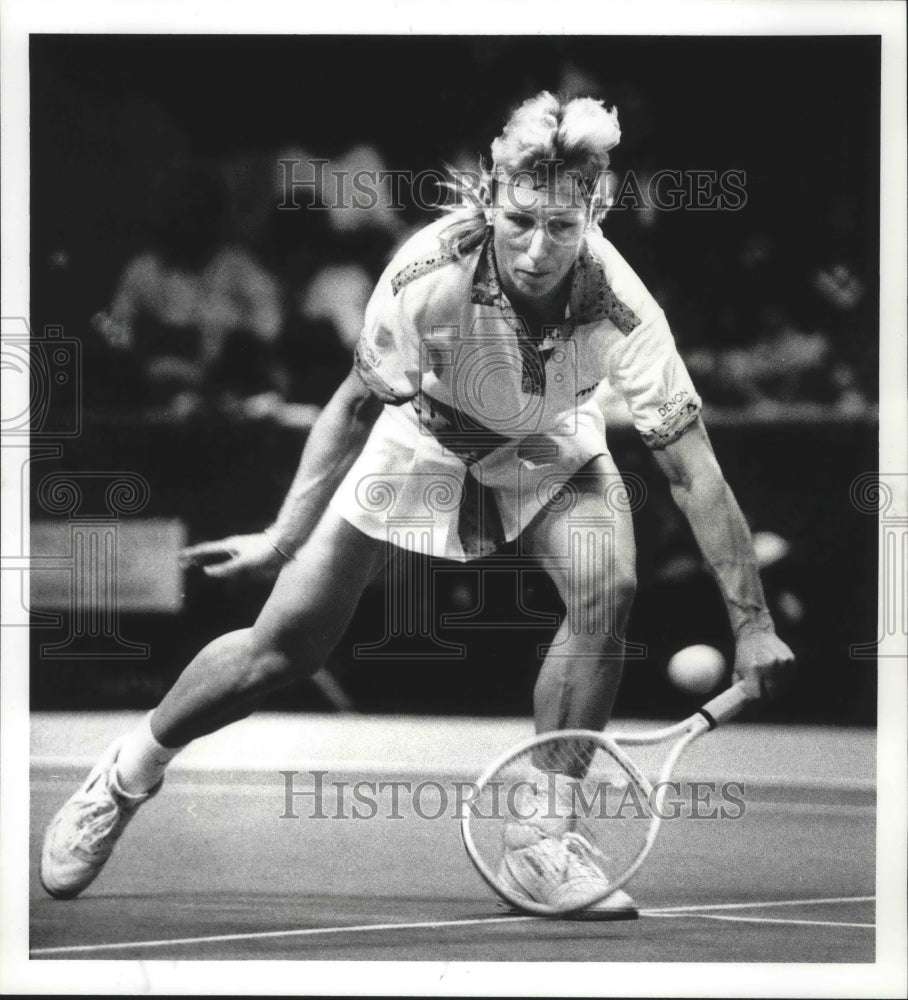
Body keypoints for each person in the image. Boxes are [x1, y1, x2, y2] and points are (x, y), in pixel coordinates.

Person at [40, 92, 794, 917]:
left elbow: (695, 473)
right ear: (488, 200)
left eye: (563, 228)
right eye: (519, 222)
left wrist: (752, 623)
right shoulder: (428, 277)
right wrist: (281, 536)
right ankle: (126, 773)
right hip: (427, 437)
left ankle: (542, 837)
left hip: (547, 439)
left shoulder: (622, 307)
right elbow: (352, 408)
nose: (538, 251)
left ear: (595, 217)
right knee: (280, 650)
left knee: (606, 583)